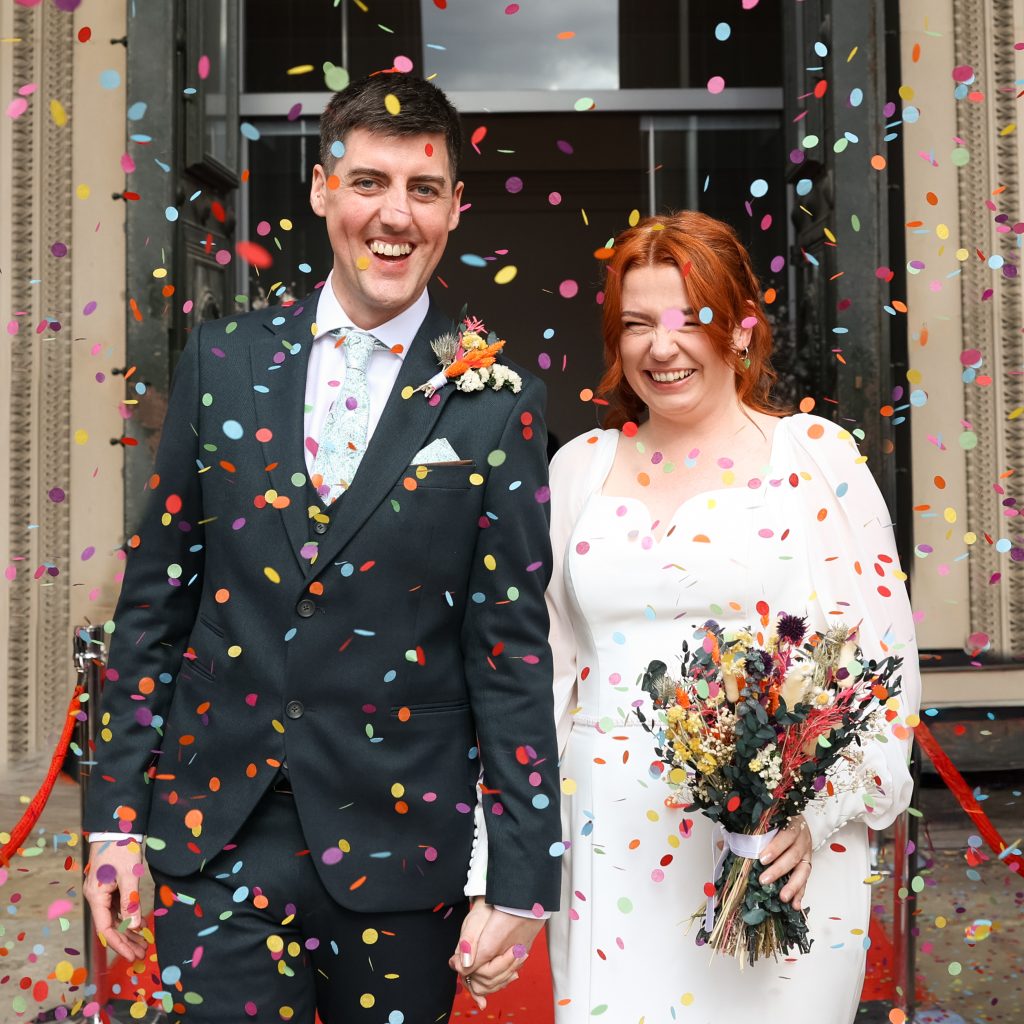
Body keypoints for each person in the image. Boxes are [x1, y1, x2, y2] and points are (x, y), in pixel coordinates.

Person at [83, 72, 560, 1023]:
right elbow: (155, 604)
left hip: (400, 848)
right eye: (370, 182)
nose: (396, 215)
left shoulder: (498, 401)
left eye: (424, 190)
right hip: (217, 833)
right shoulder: (223, 360)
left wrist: (520, 875)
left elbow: (509, 651)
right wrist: (113, 818)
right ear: (321, 188)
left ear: (456, 208)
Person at [528, 211, 918, 1020]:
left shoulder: (816, 458)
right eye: (636, 324)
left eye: (688, 320)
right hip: (610, 843)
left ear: (740, 329)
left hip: (777, 852)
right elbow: (543, 676)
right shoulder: (577, 471)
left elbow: (881, 676)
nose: (659, 348)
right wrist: (504, 858)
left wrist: (810, 816)